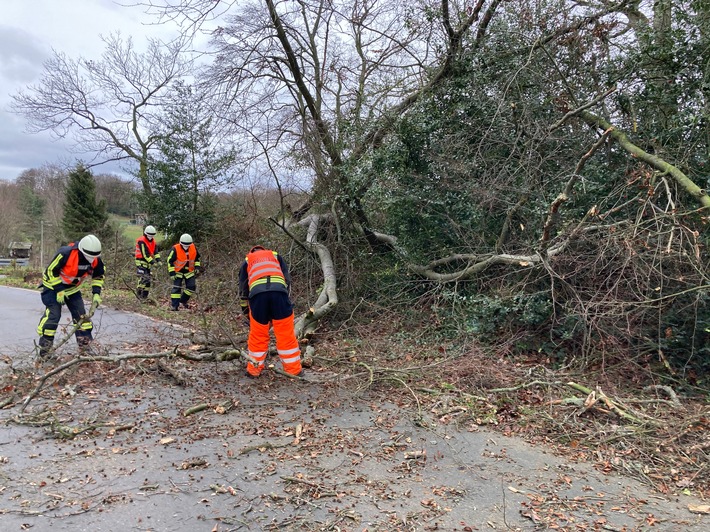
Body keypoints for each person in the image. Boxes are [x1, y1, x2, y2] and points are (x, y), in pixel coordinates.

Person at [36, 234, 105, 358]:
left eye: (93, 257)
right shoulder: (65, 253)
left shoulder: (95, 259)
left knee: (82, 317)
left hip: (72, 289)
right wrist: (59, 290)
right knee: (54, 315)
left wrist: (96, 294)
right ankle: (45, 350)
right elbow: (50, 271)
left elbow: (98, 276)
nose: (91, 259)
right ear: (81, 250)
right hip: (52, 287)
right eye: (89, 256)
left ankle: (85, 348)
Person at [238, 245, 302, 378]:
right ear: (264, 251)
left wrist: (246, 311)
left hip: (257, 295)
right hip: (279, 292)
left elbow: (243, 290)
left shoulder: (247, 260)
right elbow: (287, 280)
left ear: (252, 252)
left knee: (258, 334)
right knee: (285, 333)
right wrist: (285, 300)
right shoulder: (275, 256)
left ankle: (253, 371)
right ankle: (294, 371)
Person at [166, 233, 202, 311]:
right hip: (177, 272)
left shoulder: (193, 247)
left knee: (191, 287)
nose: (186, 247)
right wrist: (172, 272)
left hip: (189, 271)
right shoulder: (175, 248)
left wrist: (197, 267)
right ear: (180, 243)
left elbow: (197, 259)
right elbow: (170, 261)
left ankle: (183, 301)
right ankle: (174, 306)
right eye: (184, 245)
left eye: (188, 245)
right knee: (177, 288)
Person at [134, 225, 161, 300]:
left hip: (147, 263)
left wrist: (159, 260)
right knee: (144, 278)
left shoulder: (153, 241)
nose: (150, 237)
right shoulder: (141, 241)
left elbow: (156, 252)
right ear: (146, 234)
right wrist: (153, 263)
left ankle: (144, 297)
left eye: (152, 235)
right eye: (149, 235)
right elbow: (145, 254)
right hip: (140, 261)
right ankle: (139, 295)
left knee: (148, 281)